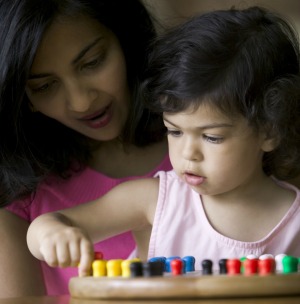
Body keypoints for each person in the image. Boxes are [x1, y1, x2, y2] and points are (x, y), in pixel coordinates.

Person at [27, 6, 300, 277]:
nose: (187, 154)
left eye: (211, 137)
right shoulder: (155, 201)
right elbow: (50, 223)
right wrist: (53, 235)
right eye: (175, 132)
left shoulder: (294, 220)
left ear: (269, 132)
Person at [0, 0, 171, 297]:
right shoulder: (18, 199)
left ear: (125, 38)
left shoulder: (215, 149)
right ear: (22, 97)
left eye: (92, 63)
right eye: (45, 87)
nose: (81, 101)